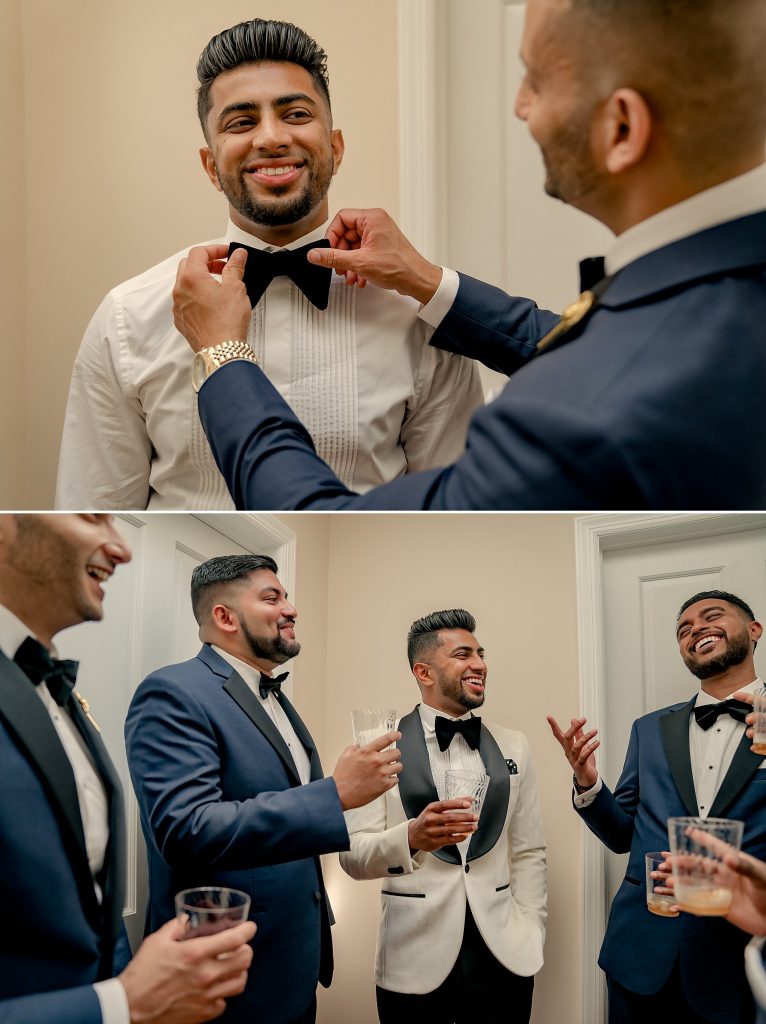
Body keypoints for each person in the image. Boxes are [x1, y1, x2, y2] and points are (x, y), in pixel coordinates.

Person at [171, 0, 766, 510]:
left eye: (536, 80)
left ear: (622, 129)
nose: (520, 107)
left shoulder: (571, 416)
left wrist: (222, 355)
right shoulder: (714, 306)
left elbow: (325, 518)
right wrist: (428, 282)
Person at [55, 18, 482, 511]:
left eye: (296, 114)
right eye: (241, 122)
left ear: (336, 148)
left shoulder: (419, 311)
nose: (272, 138)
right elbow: (94, 512)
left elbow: (453, 505)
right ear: (211, 166)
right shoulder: (127, 317)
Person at [125, 554, 402, 1024]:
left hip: (293, 962)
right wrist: (333, 795)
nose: (290, 608)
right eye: (272, 597)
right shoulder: (172, 692)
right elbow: (186, 830)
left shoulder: (274, 698)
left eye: (287, 596)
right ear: (224, 616)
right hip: (225, 973)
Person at [0, 514, 255, 1024]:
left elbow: (89, 904)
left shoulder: (58, 696)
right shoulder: (174, 692)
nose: (123, 548)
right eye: (92, 517)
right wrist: (120, 1005)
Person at [547, 590, 766, 1023]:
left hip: (739, 959)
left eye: (712, 616)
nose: (696, 629)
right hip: (640, 955)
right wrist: (589, 784)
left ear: (754, 630)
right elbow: (621, 834)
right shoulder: (649, 729)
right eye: (684, 629)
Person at [339, 609, 546, 1023]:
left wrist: (532, 930)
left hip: (505, 956)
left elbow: (529, 851)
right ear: (424, 671)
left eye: (481, 653)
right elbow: (353, 856)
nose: (480, 664)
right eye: (463, 654)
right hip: (412, 960)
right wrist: (411, 838)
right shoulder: (375, 747)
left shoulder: (515, 745)